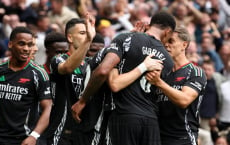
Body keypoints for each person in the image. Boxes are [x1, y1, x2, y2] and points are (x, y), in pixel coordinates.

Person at [72, 11, 176, 145]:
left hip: (125, 116)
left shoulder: (126, 39)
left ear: (150, 25)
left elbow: (103, 71)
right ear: (167, 32)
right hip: (151, 120)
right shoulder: (168, 60)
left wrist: (82, 101)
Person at [0, 26, 53, 145]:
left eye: (29, 45)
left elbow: (48, 107)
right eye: (22, 44)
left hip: (23, 139)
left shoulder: (38, 74)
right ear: (10, 44)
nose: (26, 49)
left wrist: (34, 136)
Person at [145, 26, 207, 145]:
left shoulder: (195, 72)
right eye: (165, 42)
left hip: (183, 139)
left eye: (171, 41)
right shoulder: (161, 72)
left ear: (184, 45)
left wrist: (159, 83)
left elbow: (184, 100)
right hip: (159, 139)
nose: (166, 45)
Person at [48, 13, 95, 145]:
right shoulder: (58, 59)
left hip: (84, 131)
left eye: (88, 33)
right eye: (82, 33)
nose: (87, 35)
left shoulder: (90, 63)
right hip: (61, 130)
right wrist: (88, 41)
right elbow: (67, 68)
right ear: (70, 37)